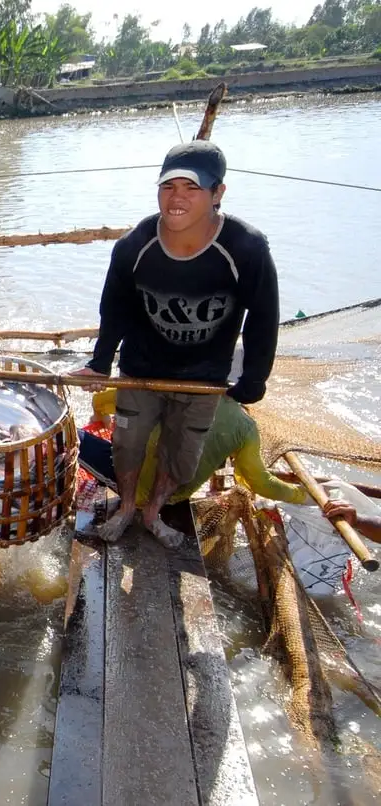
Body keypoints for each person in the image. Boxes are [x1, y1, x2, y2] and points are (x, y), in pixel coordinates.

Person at [72, 140, 280, 548]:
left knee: (181, 457)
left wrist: (255, 377)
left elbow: (264, 316)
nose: (177, 198)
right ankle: (129, 507)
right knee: (127, 447)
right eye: (168, 187)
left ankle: (154, 513)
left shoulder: (246, 248)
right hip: (142, 369)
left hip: (203, 377)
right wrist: (100, 362)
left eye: (192, 188)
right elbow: (114, 308)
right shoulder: (135, 246)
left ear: (218, 193)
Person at [78, 389, 309, 508]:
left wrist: (101, 417)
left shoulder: (168, 389)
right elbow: (261, 482)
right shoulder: (246, 427)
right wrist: (301, 495)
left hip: (138, 491)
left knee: (73, 437)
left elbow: (101, 399)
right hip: (177, 495)